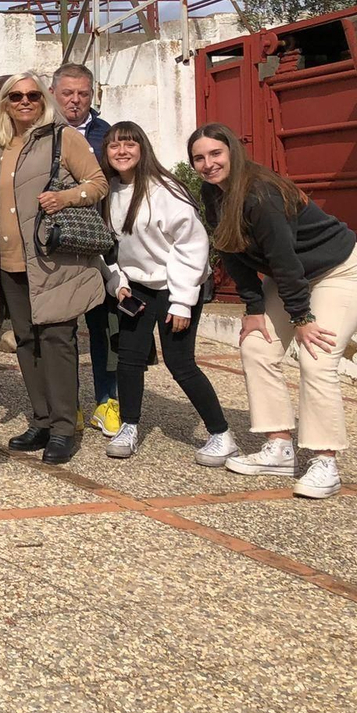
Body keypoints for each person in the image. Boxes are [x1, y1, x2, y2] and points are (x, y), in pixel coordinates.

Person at [190, 123, 357, 498]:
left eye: (216, 154)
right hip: (293, 276)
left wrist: (302, 318)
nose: (208, 164)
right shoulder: (213, 193)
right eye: (199, 158)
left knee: (317, 357)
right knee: (257, 346)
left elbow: (284, 260)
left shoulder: (261, 194)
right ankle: (279, 447)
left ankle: (325, 461)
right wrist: (254, 307)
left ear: (233, 152)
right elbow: (230, 249)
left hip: (339, 271)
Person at [0, 72, 109, 464]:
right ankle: (42, 420)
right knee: (25, 340)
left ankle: (65, 428)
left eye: (32, 95)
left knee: (57, 341)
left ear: (43, 99)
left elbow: (98, 183)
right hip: (8, 262)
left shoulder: (63, 137)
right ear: (5, 103)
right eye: (16, 96)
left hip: (51, 261)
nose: (24, 102)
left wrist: (66, 197)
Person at [99, 122, 229, 462]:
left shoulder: (166, 190)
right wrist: (118, 283)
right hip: (136, 288)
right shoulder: (108, 191)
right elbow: (108, 248)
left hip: (177, 284)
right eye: (114, 145)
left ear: (143, 148)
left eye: (130, 144)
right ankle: (129, 425)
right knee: (128, 358)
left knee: (180, 362)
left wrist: (183, 302)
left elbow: (191, 247)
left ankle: (221, 433)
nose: (122, 151)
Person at [51, 62, 118, 433]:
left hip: (101, 243)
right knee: (61, 330)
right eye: (68, 93)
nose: (75, 100)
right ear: (54, 94)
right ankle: (68, 404)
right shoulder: (41, 134)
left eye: (83, 94)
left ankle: (108, 401)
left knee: (105, 326)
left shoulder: (108, 136)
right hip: (56, 245)